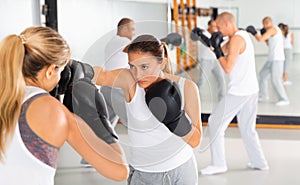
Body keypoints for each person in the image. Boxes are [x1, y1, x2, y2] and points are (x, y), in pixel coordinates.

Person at [0, 26, 128, 185]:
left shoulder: (5, 95)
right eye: (59, 71)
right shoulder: (50, 109)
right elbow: (119, 170)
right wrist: (95, 118)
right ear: (50, 71)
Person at [93, 34, 202, 185]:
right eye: (132, 66)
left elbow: (196, 140)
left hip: (182, 171)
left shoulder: (187, 87)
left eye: (144, 67)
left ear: (162, 63)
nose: (138, 75)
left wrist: (175, 119)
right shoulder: (129, 80)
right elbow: (102, 76)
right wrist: (70, 69)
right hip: (145, 175)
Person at [199, 12, 269, 175]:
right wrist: (204, 38)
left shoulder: (236, 39)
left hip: (240, 92)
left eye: (219, 26)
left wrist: (217, 51)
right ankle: (260, 163)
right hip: (251, 90)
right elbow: (220, 49)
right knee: (247, 129)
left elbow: (227, 66)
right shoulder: (240, 36)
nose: (218, 29)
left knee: (215, 122)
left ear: (227, 24)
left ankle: (219, 164)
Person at [246, 17, 289, 106]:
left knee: (276, 79)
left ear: (270, 22)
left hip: (277, 59)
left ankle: (284, 99)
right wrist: (265, 38)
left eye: (266, 23)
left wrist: (254, 32)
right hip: (271, 59)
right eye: (263, 23)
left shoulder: (273, 29)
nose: (265, 25)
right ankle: (263, 95)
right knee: (262, 75)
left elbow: (260, 39)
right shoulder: (271, 31)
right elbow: (268, 43)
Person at [196, 19, 225, 102]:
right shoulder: (204, 34)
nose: (215, 28)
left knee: (221, 79)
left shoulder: (217, 35)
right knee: (202, 81)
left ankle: (222, 98)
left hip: (216, 60)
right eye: (213, 26)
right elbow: (209, 43)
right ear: (209, 26)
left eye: (216, 26)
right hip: (206, 61)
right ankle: (195, 96)